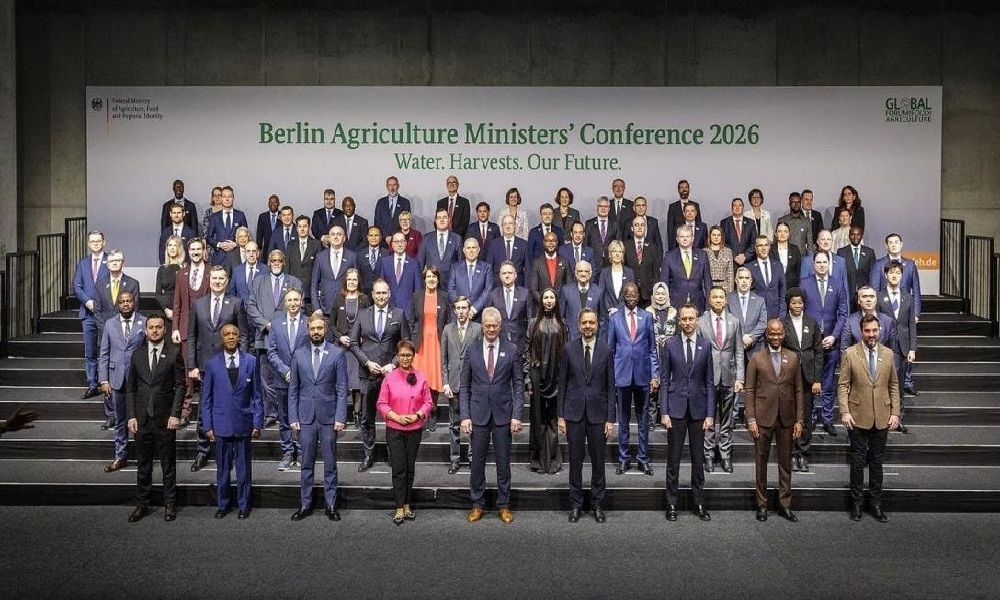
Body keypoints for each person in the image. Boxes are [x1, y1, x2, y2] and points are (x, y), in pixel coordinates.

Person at [460, 307, 524, 524]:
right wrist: (465, 416)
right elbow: (464, 385)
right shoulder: (472, 350)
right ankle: (477, 504)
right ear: (482, 326)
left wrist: (517, 415)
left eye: (494, 326)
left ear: (500, 326)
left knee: (503, 463)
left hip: (503, 416)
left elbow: (518, 385)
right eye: (487, 326)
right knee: (477, 463)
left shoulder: (511, 350)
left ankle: (504, 505)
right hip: (477, 415)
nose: (490, 329)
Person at [187, 266, 250, 472]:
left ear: (226, 281)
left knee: (230, 407)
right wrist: (192, 365)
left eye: (221, 278)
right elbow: (192, 336)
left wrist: (242, 362)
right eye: (214, 278)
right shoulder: (198, 304)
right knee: (203, 411)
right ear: (209, 280)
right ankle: (202, 452)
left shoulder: (236, 303)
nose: (217, 281)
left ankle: (230, 454)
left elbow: (243, 335)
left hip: (230, 365)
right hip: (205, 366)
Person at [838, 315, 900, 522]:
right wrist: (845, 411)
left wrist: (895, 413)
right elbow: (843, 385)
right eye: (867, 331)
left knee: (876, 462)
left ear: (879, 330)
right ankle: (856, 504)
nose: (871, 334)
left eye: (874, 330)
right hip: (857, 417)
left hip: (882, 416)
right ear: (861, 331)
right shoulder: (850, 353)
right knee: (857, 463)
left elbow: (893, 385)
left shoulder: (888, 354)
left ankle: (875, 504)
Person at [125, 313, 185, 522]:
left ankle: (170, 504)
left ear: (164, 329)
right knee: (143, 465)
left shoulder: (174, 354)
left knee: (168, 465)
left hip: (165, 419)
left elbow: (180, 387)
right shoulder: (137, 355)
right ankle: (142, 504)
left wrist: (175, 414)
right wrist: (131, 416)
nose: (155, 330)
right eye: (151, 327)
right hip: (142, 419)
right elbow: (131, 388)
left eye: (159, 327)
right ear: (146, 330)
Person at [557, 307, 615, 523]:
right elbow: (562, 384)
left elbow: (611, 387)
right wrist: (560, 416)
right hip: (573, 414)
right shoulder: (569, 348)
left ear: (597, 325)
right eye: (584, 323)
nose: (588, 326)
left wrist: (610, 418)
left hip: (598, 415)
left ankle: (597, 504)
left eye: (591, 322)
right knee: (575, 462)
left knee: (598, 463)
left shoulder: (606, 350)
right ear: (579, 325)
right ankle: (576, 504)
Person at [744, 319, 806, 522]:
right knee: (761, 463)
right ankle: (762, 504)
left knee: (785, 463)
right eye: (772, 333)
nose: (776, 337)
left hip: (787, 418)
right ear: (767, 334)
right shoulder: (757, 358)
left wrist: (799, 420)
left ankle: (784, 504)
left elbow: (799, 390)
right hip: (762, 418)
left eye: (779, 334)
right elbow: (750, 390)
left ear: (784, 335)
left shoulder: (793, 357)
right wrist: (751, 419)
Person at [289, 315, 349, 521]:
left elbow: (342, 389)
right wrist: (293, 417)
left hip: (329, 418)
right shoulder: (299, 354)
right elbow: (293, 389)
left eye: (319, 328)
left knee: (330, 464)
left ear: (325, 330)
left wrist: (341, 417)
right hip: (305, 418)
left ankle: (331, 505)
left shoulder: (337, 354)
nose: (316, 332)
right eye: (313, 328)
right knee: (306, 464)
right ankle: (305, 504)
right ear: (308, 330)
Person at [660, 303, 715, 522]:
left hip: (699, 410)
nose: (688, 323)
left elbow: (709, 382)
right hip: (675, 409)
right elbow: (664, 380)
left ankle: (699, 502)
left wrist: (710, 414)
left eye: (691, 319)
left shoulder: (705, 345)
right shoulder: (670, 344)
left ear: (697, 320)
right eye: (684, 319)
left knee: (698, 460)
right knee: (673, 460)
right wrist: (664, 411)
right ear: (679, 321)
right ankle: (671, 503)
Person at [201, 324, 262, 519]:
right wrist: (208, 426)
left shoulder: (251, 361)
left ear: (239, 338)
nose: (230, 337)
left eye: (234, 334)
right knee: (223, 469)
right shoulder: (212, 364)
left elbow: (257, 395)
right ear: (222, 339)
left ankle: (244, 505)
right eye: (227, 334)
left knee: (244, 470)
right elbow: (206, 399)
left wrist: (258, 422)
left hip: (244, 423)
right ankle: (223, 504)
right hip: (221, 424)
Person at [350, 279, 411, 471]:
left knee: (393, 417)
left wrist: (393, 364)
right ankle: (368, 456)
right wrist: (367, 363)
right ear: (372, 294)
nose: (381, 296)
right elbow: (353, 343)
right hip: (368, 373)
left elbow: (406, 343)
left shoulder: (399, 314)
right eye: (378, 293)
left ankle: (395, 456)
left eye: (384, 293)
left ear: (389, 294)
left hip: (392, 375)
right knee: (367, 418)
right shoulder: (362, 314)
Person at [377, 340, 434, 525]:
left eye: (408, 355)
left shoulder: (421, 377)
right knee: (399, 469)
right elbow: (381, 404)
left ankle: (407, 504)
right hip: (395, 430)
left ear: (413, 356)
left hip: (414, 429)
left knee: (410, 469)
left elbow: (428, 402)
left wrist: (417, 415)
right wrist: (396, 417)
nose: (405, 358)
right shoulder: (389, 378)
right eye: (402, 355)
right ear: (397, 356)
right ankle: (399, 507)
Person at [246, 250, 302, 432]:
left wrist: (279, 326)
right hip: (264, 337)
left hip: (289, 339)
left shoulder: (294, 282)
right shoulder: (258, 281)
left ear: (284, 262)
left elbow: (298, 307)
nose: (276, 263)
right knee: (267, 379)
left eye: (279, 260)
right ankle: (271, 413)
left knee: (291, 377)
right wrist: (265, 324)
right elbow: (250, 306)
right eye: (273, 260)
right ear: (268, 263)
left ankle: (290, 413)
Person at [607, 282, 659, 476]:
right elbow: (610, 350)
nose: (630, 297)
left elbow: (653, 349)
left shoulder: (647, 317)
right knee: (623, 420)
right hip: (621, 375)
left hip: (643, 375)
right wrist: (610, 376)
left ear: (639, 295)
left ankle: (643, 459)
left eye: (634, 294)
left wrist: (655, 374)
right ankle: (624, 459)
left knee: (644, 421)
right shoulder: (614, 319)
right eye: (627, 294)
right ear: (623, 295)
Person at [801, 252, 849, 437]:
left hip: (831, 341)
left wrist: (834, 336)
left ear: (829, 264)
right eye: (818, 262)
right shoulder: (804, 283)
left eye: (824, 262)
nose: (821, 265)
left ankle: (828, 420)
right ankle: (812, 418)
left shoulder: (838, 284)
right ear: (813, 264)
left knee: (828, 383)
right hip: (810, 342)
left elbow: (843, 313)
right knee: (811, 382)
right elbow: (800, 312)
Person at [93, 250, 141, 428]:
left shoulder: (132, 283)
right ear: (107, 263)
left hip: (128, 336)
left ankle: (130, 414)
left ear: (123, 262)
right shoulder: (100, 284)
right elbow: (97, 311)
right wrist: (107, 329)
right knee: (108, 372)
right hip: (108, 334)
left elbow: (135, 309)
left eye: (118, 260)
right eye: (111, 260)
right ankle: (111, 415)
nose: (114, 263)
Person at [98, 292, 145, 472]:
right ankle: (120, 456)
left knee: (141, 419)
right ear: (118, 304)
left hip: (139, 380)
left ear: (134, 302)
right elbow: (104, 353)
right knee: (119, 420)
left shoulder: (144, 322)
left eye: (129, 301)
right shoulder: (110, 324)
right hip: (116, 379)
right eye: (122, 301)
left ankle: (142, 456)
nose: (125, 304)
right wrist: (104, 380)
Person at [700, 287, 744, 474]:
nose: (718, 300)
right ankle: (708, 455)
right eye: (715, 297)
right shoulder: (701, 322)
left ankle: (725, 455)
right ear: (710, 300)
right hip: (707, 378)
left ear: (726, 301)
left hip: (728, 376)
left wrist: (740, 377)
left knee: (727, 420)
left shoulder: (734, 322)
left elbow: (739, 351)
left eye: (721, 297)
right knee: (708, 418)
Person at [266, 287, 309, 471]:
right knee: (284, 417)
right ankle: (287, 452)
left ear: (301, 302)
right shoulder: (276, 324)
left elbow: (311, 350)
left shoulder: (308, 323)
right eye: (289, 300)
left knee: (302, 416)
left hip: (304, 379)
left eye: (296, 300)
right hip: (282, 379)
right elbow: (271, 352)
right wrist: (285, 371)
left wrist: (297, 371)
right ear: (285, 303)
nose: (293, 303)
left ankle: (301, 451)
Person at [782, 288, 824, 473]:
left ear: (804, 304)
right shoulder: (782, 323)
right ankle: (791, 453)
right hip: (788, 378)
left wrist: (817, 379)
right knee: (790, 417)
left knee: (806, 417)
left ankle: (803, 454)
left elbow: (818, 352)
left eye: (800, 302)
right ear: (788, 304)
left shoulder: (812, 323)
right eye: (794, 303)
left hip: (808, 378)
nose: (797, 306)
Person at [526, 288, 566, 474]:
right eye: (545, 297)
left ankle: (553, 461)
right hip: (537, 377)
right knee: (538, 421)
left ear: (556, 301)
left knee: (553, 421)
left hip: (556, 377)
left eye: (551, 297)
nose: (548, 300)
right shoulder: (533, 323)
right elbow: (526, 352)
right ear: (541, 301)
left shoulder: (562, 325)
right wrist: (528, 378)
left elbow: (566, 354)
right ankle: (538, 461)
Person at [440, 297, 482, 474]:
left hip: (473, 385)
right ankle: (455, 460)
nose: (461, 311)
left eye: (464, 308)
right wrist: (445, 382)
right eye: (458, 308)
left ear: (469, 309)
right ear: (454, 310)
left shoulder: (477, 329)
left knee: (474, 424)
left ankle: (473, 459)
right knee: (454, 425)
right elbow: (443, 360)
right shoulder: (447, 329)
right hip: (454, 384)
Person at [171, 238, 210, 423]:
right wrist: (175, 328)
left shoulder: (212, 272)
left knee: (206, 371)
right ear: (188, 251)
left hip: (207, 329)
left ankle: (206, 411)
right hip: (186, 328)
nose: (195, 252)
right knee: (188, 372)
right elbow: (176, 304)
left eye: (198, 249)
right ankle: (186, 411)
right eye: (192, 249)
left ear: (203, 251)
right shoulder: (181, 274)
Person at [878, 260, 918, 417]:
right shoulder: (879, 296)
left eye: (897, 273)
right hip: (884, 345)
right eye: (891, 272)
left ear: (902, 275)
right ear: (885, 275)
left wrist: (912, 348)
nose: (894, 275)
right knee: (883, 383)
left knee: (899, 385)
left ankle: (898, 417)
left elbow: (911, 325)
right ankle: (883, 417)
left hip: (903, 347)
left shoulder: (908, 297)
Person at [410, 266, 448, 432]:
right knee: (421, 378)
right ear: (424, 279)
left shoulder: (444, 296)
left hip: (437, 342)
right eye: (428, 277)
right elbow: (412, 320)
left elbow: (448, 321)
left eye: (434, 277)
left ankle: (432, 412)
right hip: (421, 342)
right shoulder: (417, 296)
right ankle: (421, 413)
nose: (431, 279)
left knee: (434, 378)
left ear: (438, 280)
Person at [73, 231, 109, 399]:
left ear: (104, 242)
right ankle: (92, 384)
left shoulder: (110, 260)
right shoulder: (83, 263)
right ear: (88, 244)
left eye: (98, 241)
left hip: (106, 313)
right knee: (90, 352)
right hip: (87, 313)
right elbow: (76, 286)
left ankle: (105, 383)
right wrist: (87, 301)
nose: (95, 243)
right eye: (92, 241)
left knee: (106, 349)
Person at [333, 269, 370, 427]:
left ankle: (357, 414)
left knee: (357, 382)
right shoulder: (339, 299)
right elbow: (331, 324)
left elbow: (369, 320)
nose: (352, 282)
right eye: (349, 279)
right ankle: (341, 415)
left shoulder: (364, 299)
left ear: (358, 282)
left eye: (355, 279)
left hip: (358, 347)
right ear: (345, 281)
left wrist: (362, 335)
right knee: (342, 382)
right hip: (342, 347)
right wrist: (340, 337)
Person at [869, 232, 922, 323]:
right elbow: (875, 290)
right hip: (884, 311)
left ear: (901, 244)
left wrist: (916, 313)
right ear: (886, 246)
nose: (894, 245)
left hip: (905, 311)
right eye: (891, 243)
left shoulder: (910, 265)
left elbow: (916, 291)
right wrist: (875, 312)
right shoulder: (879, 264)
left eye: (896, 242)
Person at [646, 282, 677, 430]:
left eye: (663, 293)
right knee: (652, 388)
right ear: (653, 295)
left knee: (668, 387)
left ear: (667, 295)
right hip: (652, 354)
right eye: (657, 293)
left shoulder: (674, 312)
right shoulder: (647, 312)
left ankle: (667, 418)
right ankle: (651, 422)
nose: (660, 296)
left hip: (670, 355)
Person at [660, 225, 712, 313]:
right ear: (677, 239)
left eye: (687, 236)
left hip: (698, 303)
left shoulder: (702, 255)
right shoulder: (669, 256)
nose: (685, 239)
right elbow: (664, 283)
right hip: (675, 304)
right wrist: (666, 306)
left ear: (692, 238)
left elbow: (708, 283)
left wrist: (708, 307)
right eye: (682, 236)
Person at [485, 261, 533, 354]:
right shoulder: (492, 295)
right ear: (500, 276)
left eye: (510, 273)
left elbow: (530, 320)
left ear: (515, 275)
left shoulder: (525, 293)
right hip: (498, 343)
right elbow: (487, 320)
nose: (507, 276)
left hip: (521, 345)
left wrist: (527, 344)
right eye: (504, 273)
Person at [312, 226, 359, 316]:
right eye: (333, 234)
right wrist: (316, 307)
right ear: (329, 238)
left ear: (344, 238)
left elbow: (357, 282)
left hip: (346, 306)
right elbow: (314, 283)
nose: (336, 237)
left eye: (339, 234)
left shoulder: (352, 256)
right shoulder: (320, 257)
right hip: (325, 307)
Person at [448, 238, 493, 318]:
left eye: (473, 247)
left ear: (478, 250)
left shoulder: (486, 268)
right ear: (464, 250)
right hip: (459, 315)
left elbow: (488, 290)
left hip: (479, 314)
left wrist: (474, 309)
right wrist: (461, 307)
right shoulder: (455, 267)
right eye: (468, 248)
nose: (471, 250)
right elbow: (451, 290)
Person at [380, 231, 422, 316]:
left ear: (406, 243)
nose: (399, 244)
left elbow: (418, 291)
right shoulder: (385, 262)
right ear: (392, 244)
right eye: (396, 241)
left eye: (402, 241)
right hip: (389, 310)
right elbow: (381, 287)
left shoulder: (414, 264)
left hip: (408, 312)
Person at [623, 216, 662, 307]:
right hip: (630, 293)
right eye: (636, 225)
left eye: (642, 225)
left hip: (648, 294)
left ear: (645, 228)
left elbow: (656, 272)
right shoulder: (625, 246)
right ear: (632, 228)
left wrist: (653, 291)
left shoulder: (653, 247)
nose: (640, 227)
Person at [561, 260, 605, 340]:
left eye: (586, 271)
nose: (583, 274)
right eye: (580, 271)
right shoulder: (566, 290)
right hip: (572, 338)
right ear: (575, 273)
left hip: (593, 338)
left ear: (590, 274)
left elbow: (603, 319)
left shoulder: (599, 291)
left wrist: (600, 340)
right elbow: (561, 317)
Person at [420, 208, 463, 288]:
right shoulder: (426, 238)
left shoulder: (457, 239)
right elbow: (420, 263)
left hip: (451, 285)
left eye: (444, 217)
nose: (442, 220)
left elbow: (461, 265)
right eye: (439, 218)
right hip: (431, 284)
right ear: (435, 221)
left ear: (449, 220)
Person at [286, 216, 322, 312]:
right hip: (293, 291)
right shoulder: (290, 245)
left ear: (309, 227)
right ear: (296, 228)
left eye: (305, 226)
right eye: (300, 226)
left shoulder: (316, 244)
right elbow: (287, 269)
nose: (302, 229)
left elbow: (319, 269)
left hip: (310, 293)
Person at [206, 186, 249, 265]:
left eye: (230, 196)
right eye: (224, 196)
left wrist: (236, 244)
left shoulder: (240, 215)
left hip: (236, 258)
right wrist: (219, 244)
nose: (227, 199)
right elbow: (209, 237)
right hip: (219, 258)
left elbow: (246, 237)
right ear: (221, 199)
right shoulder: (214, 217)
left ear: (233, 198)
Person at [747, 235, 787, 319]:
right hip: (756, 314)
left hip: (775, 314)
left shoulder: (778, 266)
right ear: (756, 248)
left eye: (766, 245)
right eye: (760, 245)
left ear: (769, 247)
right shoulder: (749, 267)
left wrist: (782, 314)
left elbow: (782, 290)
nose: (763, 248)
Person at [837, 226, 876, 310]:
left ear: (862, 236)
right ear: (849, 236)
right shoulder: (841, 252)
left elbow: (873, 274)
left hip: (864, 295)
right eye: (853, 234)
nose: (855, 237)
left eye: (858, 235)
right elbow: (839, 274)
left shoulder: (869, 252)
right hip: (847, 294)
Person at [528, 231, 572, 305]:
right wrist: (545, 302)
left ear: (557, 242)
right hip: (542, 307)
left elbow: (570, 286)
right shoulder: (536, 263)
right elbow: (533, 289)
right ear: (544, 243)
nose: (551, 243)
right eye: (548, 241)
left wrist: (559, 304)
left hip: (561, 306)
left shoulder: (565, 262)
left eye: (553, 241)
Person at [486, 214, 529, 282]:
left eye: (510, 223)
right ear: (502, 227)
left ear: (515, 226)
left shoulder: (523, 244)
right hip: (498, 286)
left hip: (518, 286)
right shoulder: (494, 244)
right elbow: (489, 268)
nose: (508, 226)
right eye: (505, 224)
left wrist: (525, 288)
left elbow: (528, 270)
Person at [597, 240, 634, 317]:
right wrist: (609, 308)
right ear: (610, 254)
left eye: (620, 251)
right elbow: (601, 294)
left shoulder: (629, 272)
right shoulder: (604, 272)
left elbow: (631, 294)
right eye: (614, 251)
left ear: (623, 254)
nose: (617, 254)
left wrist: (618, 309)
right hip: (608, 314)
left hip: (625, 313)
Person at [720, 197, 757, 268]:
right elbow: (723, 242)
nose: (737, 207)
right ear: (732, 208)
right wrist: (734, 256)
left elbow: (754, 242)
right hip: (730, 262)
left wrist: (745, 256)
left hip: (748, 262)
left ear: (743, 207)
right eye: (735, 205)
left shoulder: (751, 223)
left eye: (740, 205)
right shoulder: (724, 223)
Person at [156, 235, 185, 321]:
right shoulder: (162, 269)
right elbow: (158, 294)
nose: (172, 248)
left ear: (179, 248)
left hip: (182, 310)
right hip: (165, 311)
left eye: (175, 245)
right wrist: (166, 309)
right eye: (170, 245)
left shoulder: (184, 268)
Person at [374, 176, 410, 244]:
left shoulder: (405, 202)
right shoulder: (380, 202)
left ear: (398, 186)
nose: (392, 188)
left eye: (394, 185)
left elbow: (406, 223)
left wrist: (395, 237)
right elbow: (377, 222)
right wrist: (385, 236)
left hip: (399, 240)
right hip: (383, 241)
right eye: (390, 185)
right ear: (387, 187)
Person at [666, 179, 701, 249]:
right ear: (678, 190)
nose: (684, 189)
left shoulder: (696, 205)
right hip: (678, 246)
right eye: (681, 187)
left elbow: (699, 225)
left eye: (686, 187)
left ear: (689, 189)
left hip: (695, 246)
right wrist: (671, 249)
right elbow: (670, 230)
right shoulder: (672, 207)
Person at [584, 196, 619, 267]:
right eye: (601, 206)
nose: (603, 208)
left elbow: (618, 244)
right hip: (593, 262)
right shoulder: (589, 223)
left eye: (605, 206)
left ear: (609, 208)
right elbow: (585, 244)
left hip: (610, 263)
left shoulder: (615, 224)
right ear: (597, 208)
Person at [771, 221, 802, 288]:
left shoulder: (795, 249)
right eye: (779, 231)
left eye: (785, 231)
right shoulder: (770, 249)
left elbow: (798, 270)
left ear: (789, 234)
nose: (782, 234)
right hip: (774, 286)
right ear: (776, 234)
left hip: (792, 286)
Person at [358, 226, 387, 295]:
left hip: (381, 292)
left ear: (380, 237)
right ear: (367, 237)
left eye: (376, 235)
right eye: (371, 235)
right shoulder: (360, 254)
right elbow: (359, 274)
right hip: (364, 292)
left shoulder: (386, 254)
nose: (373, 238)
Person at [705, 225, 734, 292]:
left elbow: (730, 274)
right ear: (710, 236)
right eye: (714, 235)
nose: (716, 237)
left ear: (722, 237)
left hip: (724, 287)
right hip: (709, 286)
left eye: (718, 235)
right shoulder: (704, 252)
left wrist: (730, 292)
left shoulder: (728, 251)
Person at [200, 187, 223, 259]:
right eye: (215, 195)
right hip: (210, 247)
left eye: (219, 195)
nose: (217, 197)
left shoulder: (226, 212)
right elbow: (204, 233)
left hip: (223, 246)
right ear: (212, 198)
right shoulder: (208, 213)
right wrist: (204, 249)